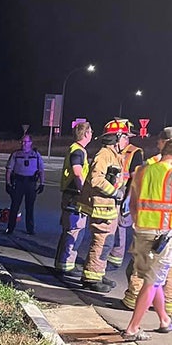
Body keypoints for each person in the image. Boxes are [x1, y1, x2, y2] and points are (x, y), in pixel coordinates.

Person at [120, 139, 172, 341]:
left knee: (153, 279)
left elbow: (132, 203)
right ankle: (132, 328)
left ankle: (164, 320)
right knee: (152, 281)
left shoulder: (142, 171)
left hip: (142, 231)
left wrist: (140, 223)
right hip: (163, 235)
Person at [78, 119, 130, 292]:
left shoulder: (114, 155)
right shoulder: (104, 155)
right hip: (102, 207)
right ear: (117, 137)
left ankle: (97, 273)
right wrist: (115, 192)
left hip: (108, 207)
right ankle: (91, 278)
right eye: (125, 137)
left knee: (106, 242)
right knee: (101, 241)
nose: (127, 141)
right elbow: (96, 179)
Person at [53, 121, 92, 277]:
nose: (92, 135)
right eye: (91, 132)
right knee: (74, 231)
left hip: (71, 196)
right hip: (74, 196)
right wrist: (84, 192)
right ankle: (66, 265)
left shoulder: (76, 149)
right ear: (86, 134)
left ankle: (63, 263)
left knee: (70, 230)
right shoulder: (78, 151)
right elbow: (77, 172)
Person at [107, 128, 144, 269]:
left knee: (120, 227)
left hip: (126, 194)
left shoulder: (134, 153)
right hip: (115, 194)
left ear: (124, 137)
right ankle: (110, 256)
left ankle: (115, 259)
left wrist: (128, 198)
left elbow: (135, 177)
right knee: (113, 226)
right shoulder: (117, 151)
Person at [4, 134, 45, 235]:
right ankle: (10, 228)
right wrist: (8, 183)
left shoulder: (36, 154)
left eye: (25, 142)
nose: (23, 144)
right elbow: (9, 170)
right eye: (22, 142)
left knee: (30, 207)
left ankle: (30, 229)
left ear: (30, 143)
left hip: (31, 183)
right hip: (18, 183)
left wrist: (42, 183)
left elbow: (41, 170)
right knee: (14, 207)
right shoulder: (16, 154)